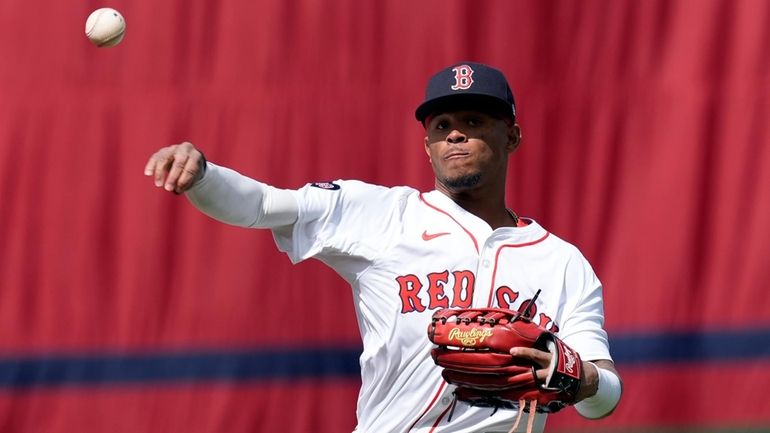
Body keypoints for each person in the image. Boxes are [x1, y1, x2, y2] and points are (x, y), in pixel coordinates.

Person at [144, 62, 622, 433]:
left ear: (512, 136)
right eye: (441, 125)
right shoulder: (382, 213)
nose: (454, 133)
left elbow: (606, 395)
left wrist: (580, 378)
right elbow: (264, 204)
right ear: (427, 145)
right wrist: (202, 175)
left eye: (474, 120)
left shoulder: (561, 261)